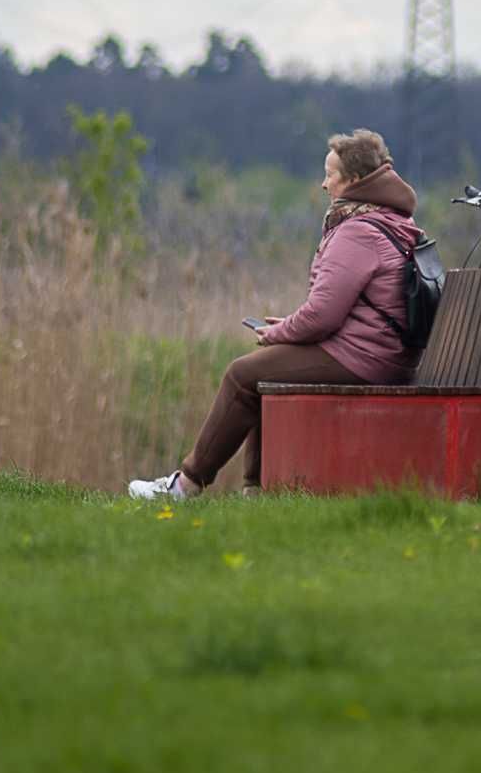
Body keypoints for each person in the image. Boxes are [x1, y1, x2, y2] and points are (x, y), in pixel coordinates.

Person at [128, 128, 423, 499]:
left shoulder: (358, 231)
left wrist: (279, 334)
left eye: (330, 175)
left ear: (354, 181)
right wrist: (286, 328)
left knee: (242, 374)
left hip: (365, 358)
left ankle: (186, 484)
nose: (322, 184)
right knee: (264, 372)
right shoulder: (391, 220)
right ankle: (257, 492)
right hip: (384, 354)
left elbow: (322, 318)